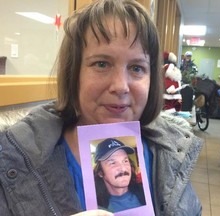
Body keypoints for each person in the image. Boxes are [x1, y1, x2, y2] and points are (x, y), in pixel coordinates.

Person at [0, 0, 203, 215]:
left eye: (136, 68)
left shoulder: (169, 154)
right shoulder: (17, 161)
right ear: (74, 73)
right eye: (101, 64)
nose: (120, 86)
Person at [93, 138, 145, 212]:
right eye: (112, 163)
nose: (123, 169)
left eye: (125, 161)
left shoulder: (146, 193)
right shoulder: (96, 208)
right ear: (100, 172)